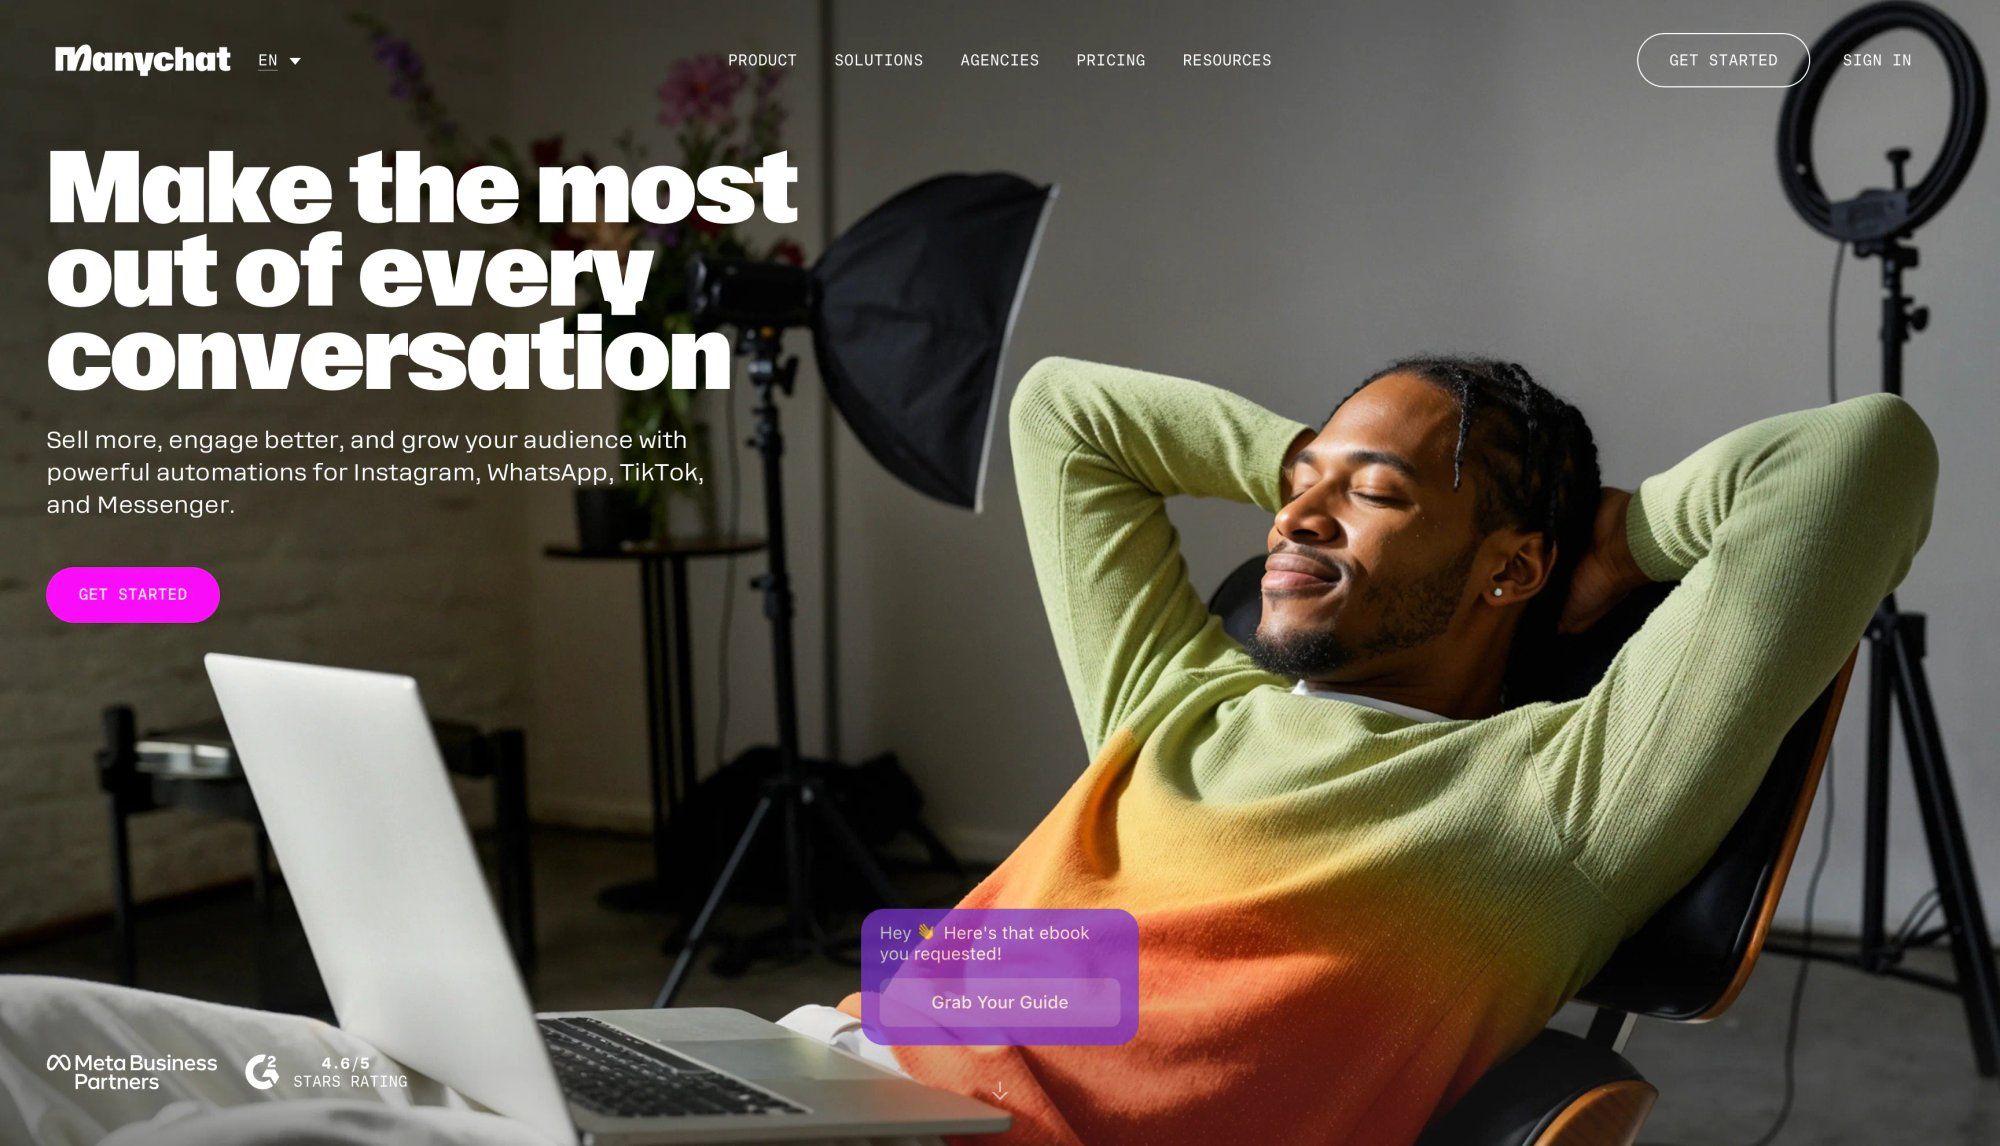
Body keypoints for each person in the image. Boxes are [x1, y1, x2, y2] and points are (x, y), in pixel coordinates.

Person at [795, 355, 1936, 1144]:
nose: (1292, 518)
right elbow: (1061, 411)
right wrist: (1312, 466)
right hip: (837, 1068)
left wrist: (1616, 539)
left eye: (1375, 494)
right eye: (1295, 491)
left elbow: (1862, 454)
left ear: (1508, 568)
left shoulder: (1554, 802)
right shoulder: (1178, 693)